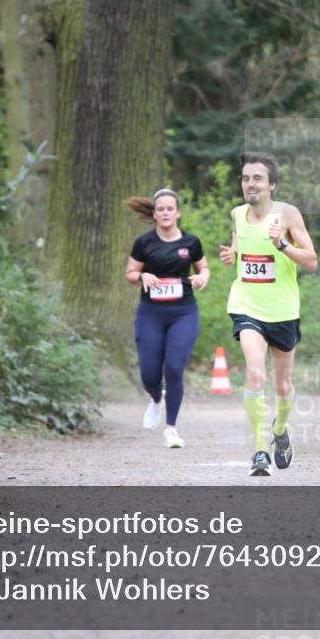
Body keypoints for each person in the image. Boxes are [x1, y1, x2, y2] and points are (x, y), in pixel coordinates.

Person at [219, 152, 317, 476]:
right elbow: (240, 245)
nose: (251, 184)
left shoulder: (287, 215)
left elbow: (312, 261)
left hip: (283, 312)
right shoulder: (237, 214)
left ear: (272, 185)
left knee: (283, 386)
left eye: (258, 178)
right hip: (246, 307)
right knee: (255, 373)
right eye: (246, 178)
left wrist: (282, 246)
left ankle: (280, 430)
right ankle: (260, 451)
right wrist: (233, 254)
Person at [125, 188, 209, 448]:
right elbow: (130, 272)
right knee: (150, 374)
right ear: (155, 213)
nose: (165, 213)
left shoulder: (191, 243)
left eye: (169, 208)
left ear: (178, 213)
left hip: (183, 313)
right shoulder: (144, 242)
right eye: (160, 209)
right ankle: (155, 399)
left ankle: (171, 428)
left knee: (174, 367)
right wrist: (142, 277)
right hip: (151, 313)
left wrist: (203, 276)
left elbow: (203, 267)